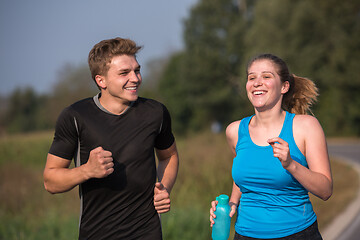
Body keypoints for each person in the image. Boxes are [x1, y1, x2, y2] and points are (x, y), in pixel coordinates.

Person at [43, 37, 179, 240]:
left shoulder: (155, 113)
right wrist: (87, 170)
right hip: (97, 234)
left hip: (147, 232)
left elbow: (170, 156)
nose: (135, 78)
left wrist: (164, 188)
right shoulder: (75, 116)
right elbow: (50, 181)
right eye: (124, 73)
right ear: (101, 80)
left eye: (137, 70)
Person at [210, 53, 332, 240]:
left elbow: (325, 190)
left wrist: (291, 164)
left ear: (284, 86)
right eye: (252, 78)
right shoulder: (234, 131)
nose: (257, 82)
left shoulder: (306, 126)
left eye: (266, 76)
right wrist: (231, 205)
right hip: (245, 235)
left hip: (297, 234)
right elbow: (243, 178)